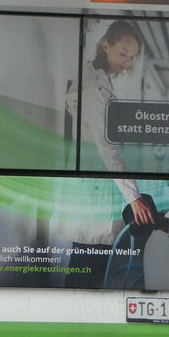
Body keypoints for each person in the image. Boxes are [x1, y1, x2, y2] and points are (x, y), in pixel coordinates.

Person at [60, 20, 155, 286]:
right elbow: (107, 148)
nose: (127, 62)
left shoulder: (97, 80)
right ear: (105, 46)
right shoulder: (95, 88)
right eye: (123, 53)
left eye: (132, 57)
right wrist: (134, 198)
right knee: (88, 268)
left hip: (94, 192)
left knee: (86, 265)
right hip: (94, 194)